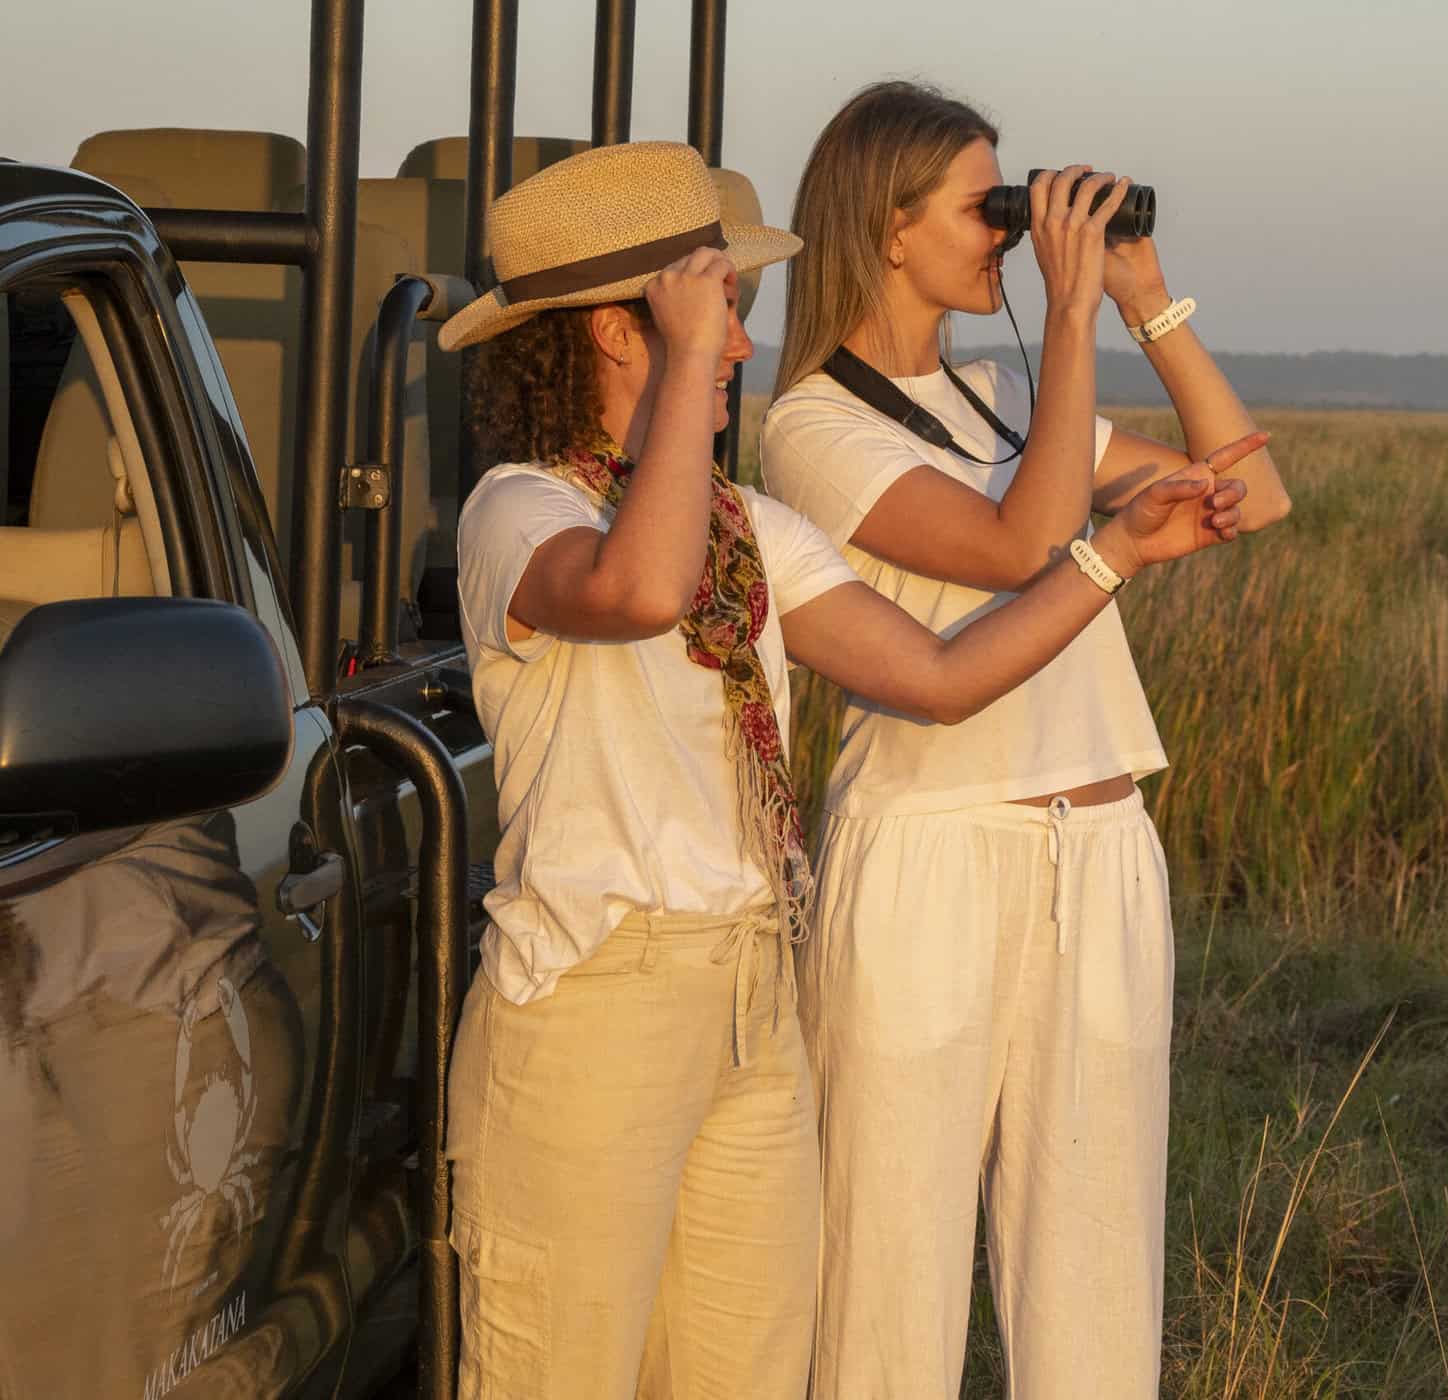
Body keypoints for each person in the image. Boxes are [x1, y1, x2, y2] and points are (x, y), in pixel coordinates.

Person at [436, 141, 1258, 1400]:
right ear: (618, 331)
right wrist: (678, 391)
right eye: (716, 313)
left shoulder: (744, 527)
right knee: (563, 1365)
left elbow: (936, 675)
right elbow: (642, 588)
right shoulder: (518, 512)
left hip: (749, 993)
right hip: (595, 999)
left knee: (749, 1367)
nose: (741, 349)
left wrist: (1113, 561)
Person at [761, 82, 1293, 1398]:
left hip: (1098, 844)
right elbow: (1022, 545)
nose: (1010, 233)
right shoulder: (810, 429)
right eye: (985, 208)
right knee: (893, 1258)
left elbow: (1258, 492)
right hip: (935, 849)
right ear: (887, 229)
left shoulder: (1006, 392)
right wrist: (1063, 312)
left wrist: (1140, 298)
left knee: (1097, 1258)